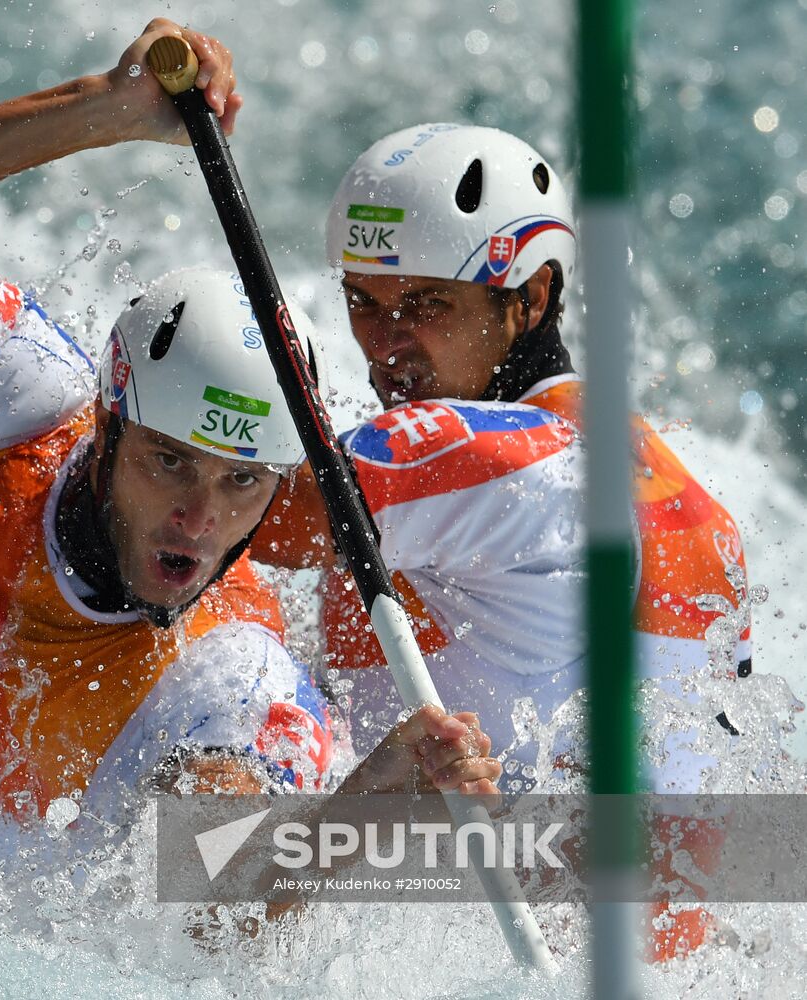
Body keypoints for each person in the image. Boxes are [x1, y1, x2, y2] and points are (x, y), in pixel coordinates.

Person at [0, 29, 500, 919]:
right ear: (109, 423)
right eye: (169, 463)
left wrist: (368, 806)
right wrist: (98, 111)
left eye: (242, 483)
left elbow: (220, 910)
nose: (197, 516)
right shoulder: (6, 397)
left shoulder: (226, 671)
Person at [250, 123, 753, 958]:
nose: (384, 348)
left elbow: (212, 515)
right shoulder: (654, 472)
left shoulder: (491, 458)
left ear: (531, 297)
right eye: (364, 304)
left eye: (427, 306)